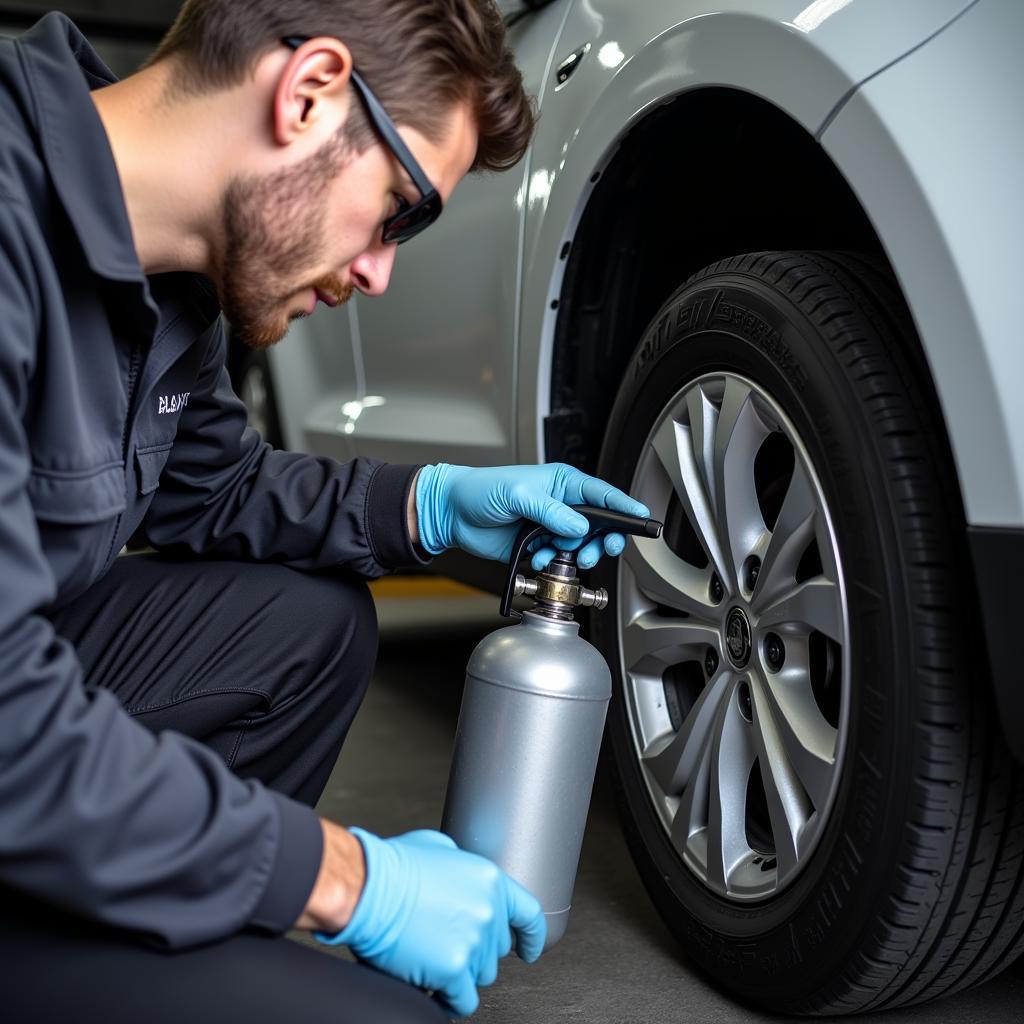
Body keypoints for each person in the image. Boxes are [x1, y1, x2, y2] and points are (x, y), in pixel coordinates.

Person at [0, 2, 650, 1022]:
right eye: (398, 210)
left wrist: (429, 508)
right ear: (308, 95)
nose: (378, 271)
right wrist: (343, 880)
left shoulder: (172, 277)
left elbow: (217, 488)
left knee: (310, 619)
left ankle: (131, 917)